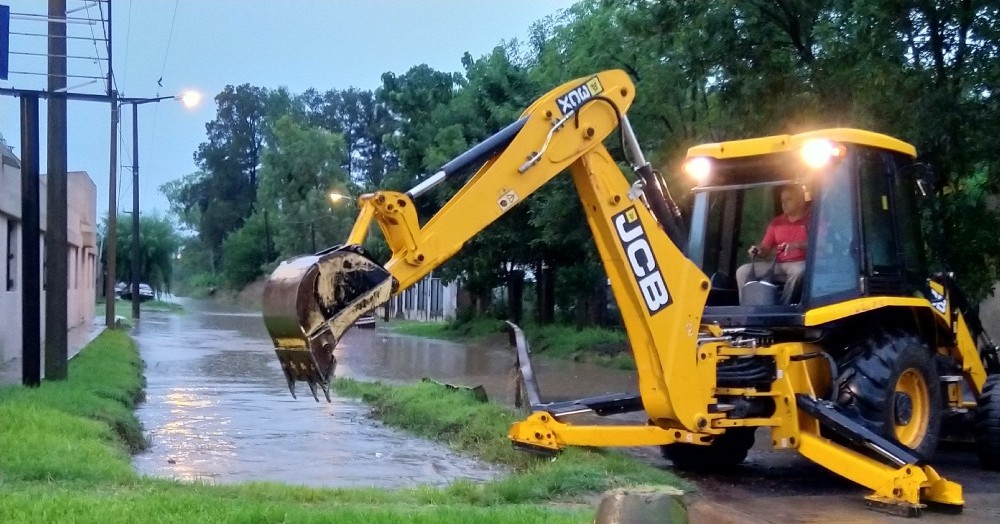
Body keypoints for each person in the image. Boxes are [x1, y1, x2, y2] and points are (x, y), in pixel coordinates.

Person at [736, 185, 810, 305]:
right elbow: (765, 249)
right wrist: (757, 250)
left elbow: (821, 245)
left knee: (799, 270)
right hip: (778, 265)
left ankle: (784, 308)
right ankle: (745, 306)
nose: (784, 204)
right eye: (782, 200)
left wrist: (797, 245)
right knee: (742, 271)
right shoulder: (776, 222)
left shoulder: (813, 220)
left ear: (801, 200)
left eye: (788, 199)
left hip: (801, 263)